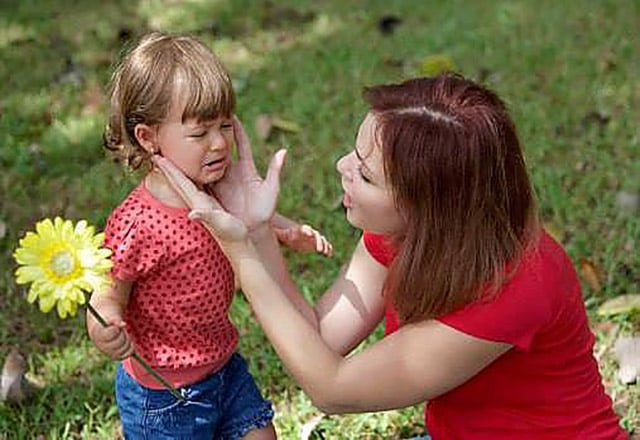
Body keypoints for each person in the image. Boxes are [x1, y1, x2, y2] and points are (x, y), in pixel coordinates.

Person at [154, 73, 628, 439]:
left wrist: (243, 254)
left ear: (428, 206)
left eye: (364, 174)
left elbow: (333, 389)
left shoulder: (516, 284)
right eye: (354, 156)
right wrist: (256, 231)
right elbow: (320, 339)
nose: (342, 169)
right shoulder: (408, 232)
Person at [86, 31, 331, 440]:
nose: (219, 144)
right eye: (199, 134)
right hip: (164, 394)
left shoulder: (216, 187)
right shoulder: (138, 222)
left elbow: (248, 218)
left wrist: (288, 231)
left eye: (224, 126)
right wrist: (105, 323)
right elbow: (109, 291)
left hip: (223, 365)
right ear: (148, 138)